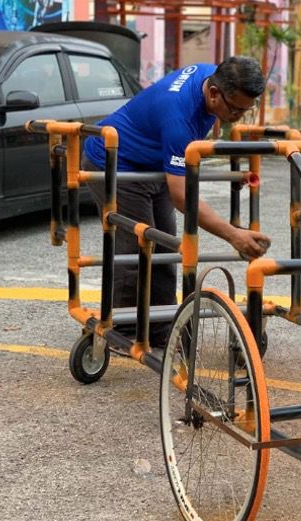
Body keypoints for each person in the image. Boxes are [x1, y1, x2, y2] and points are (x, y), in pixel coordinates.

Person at [83, 56, 271, 348]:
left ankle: (160, 330)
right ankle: (123, 332)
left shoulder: (215, 76)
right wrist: (233, 235)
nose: (237, 116)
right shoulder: (178, 118)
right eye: (235, 109)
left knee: (166, 250)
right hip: (116, 163)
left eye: (246, 110)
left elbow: (184, 160)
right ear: (213, 94)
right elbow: (183, 197)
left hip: (154, 164)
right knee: (134, 253)